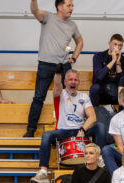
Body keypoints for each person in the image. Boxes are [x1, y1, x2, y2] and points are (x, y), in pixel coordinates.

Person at [31, 70, 105, 183]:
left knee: (100, 126)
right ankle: (43, 172)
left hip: (80, 130)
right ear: (65, 82)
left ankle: (99, 159)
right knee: (46, 135)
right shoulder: (60, 93)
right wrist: (58, 72)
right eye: (70, 79)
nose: (73, 82)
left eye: (76, 80)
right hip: (63, 131)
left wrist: (83, 129)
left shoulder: (84, 97)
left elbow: (93, 117)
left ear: (79, 82)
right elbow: (56, 84)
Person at [24, 0, 83, 137]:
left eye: (72, 5)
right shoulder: (48, 17)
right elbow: (34, 10)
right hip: (45, 64)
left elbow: (80, 42)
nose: (71, 8)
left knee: (66, 99)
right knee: (39, 97)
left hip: (64, 66)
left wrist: (74, 58)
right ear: (59, 6)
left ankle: (66, 129)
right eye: (69, 5)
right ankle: (30, 130)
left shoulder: (72, 25)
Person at [89, 33, 124, 107]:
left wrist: (118, 62)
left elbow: (122, 81)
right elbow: (98, 78)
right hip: (101, 92)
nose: (117, 47)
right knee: (94, 88)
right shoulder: (99, 56)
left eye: (120, 45)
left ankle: (121, 116)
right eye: (115, 44)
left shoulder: (122, 59)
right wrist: (113, 61)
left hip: (115, 92)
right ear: (109, 44)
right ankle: (95, 113)